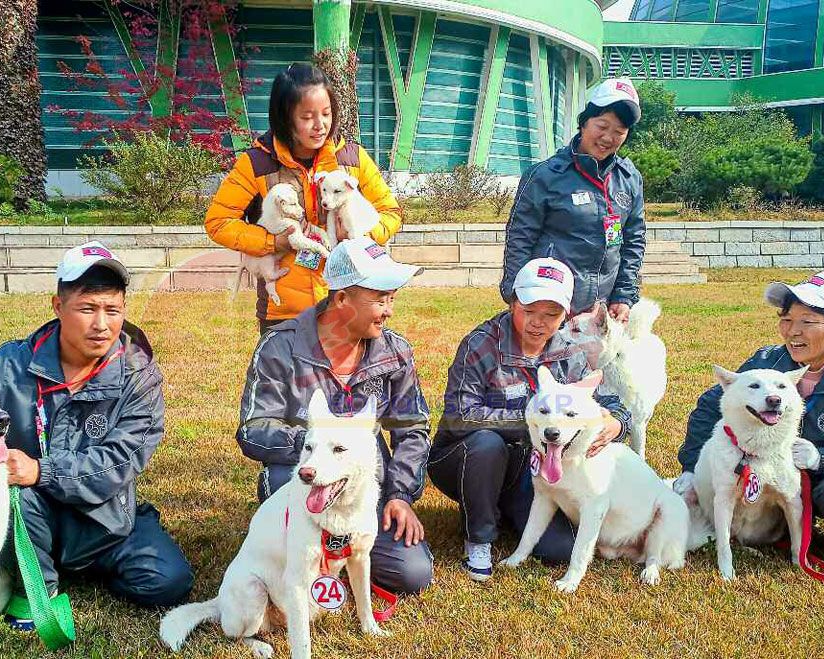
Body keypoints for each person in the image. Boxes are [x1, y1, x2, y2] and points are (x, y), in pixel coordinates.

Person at [0, 241, 194, 616]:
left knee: (167, 581)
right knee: (18, 496)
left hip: (106, 519)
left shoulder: (139, 377)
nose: (101, 324)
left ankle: (72, 566)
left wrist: (40, 470)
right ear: (58, 307)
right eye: (87, 308)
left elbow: (120, 462)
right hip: (26, 513)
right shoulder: (10, 366)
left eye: (113, 310)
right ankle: (34, 585)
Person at [236, 236, 433, 594]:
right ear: (341, 298)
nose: (389, 310)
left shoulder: (396, 351)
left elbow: (413, 430)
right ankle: (308, 560)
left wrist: (400, 494)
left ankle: (343, 558)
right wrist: (317, 446)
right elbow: (253, 429)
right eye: (380, 299)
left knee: (412, 574)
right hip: (297, 479)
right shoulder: (280, 347)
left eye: (392, 299)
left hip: (363, 486)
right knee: (294, 530)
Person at [428, 257, 630, 581]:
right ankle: (478, 536)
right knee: (487, 443)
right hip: (466, 459)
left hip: (531, 466)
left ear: (566, 314)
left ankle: (505, 509)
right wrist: (531, 421)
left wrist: (616, 423)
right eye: (529, 311)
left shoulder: (568, 351)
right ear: (512, 303)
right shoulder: (481, 345)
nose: (538, 323)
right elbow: (460, 414)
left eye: (551, 315)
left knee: (558, 550)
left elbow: (608, 401)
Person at [674, 272, 824, 573]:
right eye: (786, 319)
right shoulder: (768, 362)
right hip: (786, 476)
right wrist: (692, 468)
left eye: (807, 322)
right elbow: (709, 408)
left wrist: (821, 458)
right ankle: (779, 528)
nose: (793, 332)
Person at [206, 62, 403, 333]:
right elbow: (218, 222)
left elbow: (391, 213)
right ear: (285, 117)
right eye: (307, 116)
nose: (320, 125)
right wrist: (273, 242)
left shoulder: (353, 158)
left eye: (326, 113)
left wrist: (362, 237)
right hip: (284, 313)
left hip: (350, 302)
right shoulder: (256, 163)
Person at [500, 77, 646, 320]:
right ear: (583, 123)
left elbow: (633, 242)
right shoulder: (545, 176)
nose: (609, 138)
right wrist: (516, 295)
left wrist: (623, 296)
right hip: (549, 307)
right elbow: (520, 238)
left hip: (602, 314)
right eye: (602, 126)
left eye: (619, 132)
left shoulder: (629, 179)